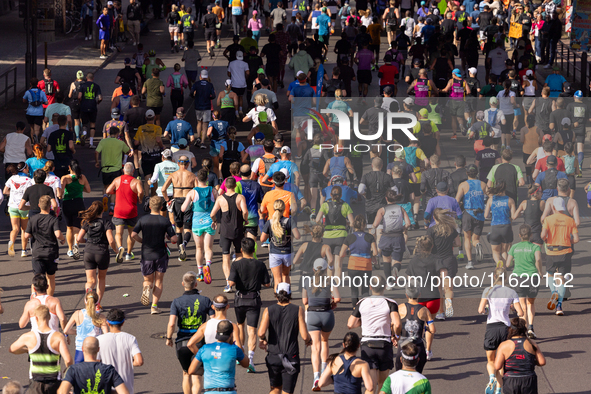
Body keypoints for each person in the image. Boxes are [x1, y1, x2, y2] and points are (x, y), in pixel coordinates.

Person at [347, 275, 401, 393]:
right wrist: (396, 335)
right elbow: (397, 324)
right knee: (382, 384)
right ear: (385, 287)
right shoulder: (391, 303)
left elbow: (351, 324)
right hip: (384, 345)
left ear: (370, 287)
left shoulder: (362, 302)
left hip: (368, 345)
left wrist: (364, 322)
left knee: (370, 386)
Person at [258, 283, 312, 394]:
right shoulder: (298, 310)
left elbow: (261, 332)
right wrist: (308, 340)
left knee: (275, 388)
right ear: (290, 294)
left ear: (276, 294)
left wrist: (263, 339)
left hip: (273, 356)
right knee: (287, 391)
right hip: (291, 356)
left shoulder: (268, 310)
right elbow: (304, 335)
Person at [478, 263, 524, 394]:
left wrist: (487, 308)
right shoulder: (511, 292)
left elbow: (481, 310)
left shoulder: (488, 290)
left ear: (494, 276)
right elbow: (520, 313)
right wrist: (512, 307)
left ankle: (491, 377)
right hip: (505, 328)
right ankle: (498, 389)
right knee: (502, 361)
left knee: (491, 360)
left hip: (491, 328)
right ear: (506, 278)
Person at [166, 271, 214, 394]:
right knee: (197, 375)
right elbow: (213, 321)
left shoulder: (176, 302)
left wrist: (168, 338)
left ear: (183, 284)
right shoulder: (205, 300)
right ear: (196, 284)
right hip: (199, 342)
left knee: (186, 373)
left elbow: (171, 323)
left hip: (182, 342)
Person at [9, 305, 72, 394]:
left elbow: (12, 349)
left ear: (36, 318)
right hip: (53, 381)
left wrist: (26, 350)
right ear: (49, 317)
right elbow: (68, 359)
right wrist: (68, 370)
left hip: (36, 381)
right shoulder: (58, 337)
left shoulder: (28, 336)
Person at [131, 196, 177, 314]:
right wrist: (168, 237)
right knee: (159, 281)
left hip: (146, 254)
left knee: (148, 280)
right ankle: (154, 306)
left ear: (150, 207)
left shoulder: (143, 219)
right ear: (161, 207)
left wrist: (142, 241)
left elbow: (133, 235)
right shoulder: (165, 221)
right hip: (160, 254)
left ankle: (147, 286)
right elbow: (174, 239)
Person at [302, 257, 340, 390]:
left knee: (315, 348)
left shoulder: (307, 281)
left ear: (313, 269)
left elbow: (305, 301)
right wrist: (333, 304)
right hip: (327, 315)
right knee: (325, 342)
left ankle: (316, 377)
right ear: (325, 270)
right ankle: (325, 371)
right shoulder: (330, 281)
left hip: (313, 315)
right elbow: (338, 297)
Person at [76, 201, 118, 308]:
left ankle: (89, 293)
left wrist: (87, 241)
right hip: (102, 252)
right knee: (101, 279)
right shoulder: (106, 222)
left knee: (90, 281)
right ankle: (97, 304)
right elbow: (111, 240)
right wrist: (116, 251)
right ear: (102, 211)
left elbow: (79, 238)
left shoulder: (87, 222)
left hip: (89, 252)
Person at [541, 198, 578, 316]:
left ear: (554, 208)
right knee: (561, 278)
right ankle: (559, 306)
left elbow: (542, 235)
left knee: (550, 274)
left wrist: (547, 240)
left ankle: (554, 292)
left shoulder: (548, 219)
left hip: (551, 252)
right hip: (565, 251)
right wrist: (568, 240)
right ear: (564, 208)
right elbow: (576, 239)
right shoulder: (570, 220)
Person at [211, 177, 249, 292]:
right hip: (238, 229)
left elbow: (212, 213)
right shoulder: (240, 197)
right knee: (239, 255)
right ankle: (239, 279)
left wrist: (214, 221)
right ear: (235, 186)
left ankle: (228, 283)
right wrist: (245, 220)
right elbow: (245, 211)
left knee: (225, 257)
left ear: (225, 186)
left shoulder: (220, 198)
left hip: (225, 231)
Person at [187, 320, 248, 392]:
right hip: (228, 391)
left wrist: (207, 371)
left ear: (216, 332)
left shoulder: (204, 348)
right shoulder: (234, 349)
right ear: (231, 334)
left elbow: (191, 371)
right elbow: (246, 363)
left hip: (210, 391)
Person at [181, 169, 218, 283]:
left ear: (197, 179)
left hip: (197, 223)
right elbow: (219, 203)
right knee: (208, 248)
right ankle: (208, 265)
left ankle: (200, 272)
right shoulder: (213, 190)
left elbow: (183, 208)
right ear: (207, 178)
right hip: (209, 221)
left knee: (199, 248)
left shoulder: (192, 192)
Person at [505, 224, 542, 339]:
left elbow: (507, 264)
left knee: (522, 306)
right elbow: (538, 259)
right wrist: (540, 272)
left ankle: (523, 331)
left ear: (519, 235)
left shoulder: (514, 247)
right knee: (530, 303)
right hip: (532, 277)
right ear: (530, 235)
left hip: (518, 278)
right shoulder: (535, 247)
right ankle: (531, 327)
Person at [23, 196, 65, 296]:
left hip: (37, 251)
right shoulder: (53, 219)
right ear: (50, 206)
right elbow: (58, 234)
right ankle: (49, 301)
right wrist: (62, 239)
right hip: (51, 252)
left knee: (37, 278)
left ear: (39, 206)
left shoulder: (33, 219)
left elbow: (26, 235)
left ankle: (34, 301)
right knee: (51, 278)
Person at [58, 337, 129, 394]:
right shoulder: (109, 370)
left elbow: (62, 392)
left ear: (82, 349)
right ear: (98, 349)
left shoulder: (73, 370)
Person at [493, 317, 546, 394]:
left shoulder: (504, 345)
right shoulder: (531, 343)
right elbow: (542, 362)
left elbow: (497, 366)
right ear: (524, 329)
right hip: (528, 380)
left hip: (511, 380)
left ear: (510, 329)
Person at [97, 309, 144, 394]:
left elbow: (95, 363)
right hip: (126, 387)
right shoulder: (130, 338)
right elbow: (139, 361)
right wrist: (128, 362)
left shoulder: (99, 340)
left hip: (107, 386)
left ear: (108, 323)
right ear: (123, 323)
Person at [426, 208, 460, 320]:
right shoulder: (452, 229)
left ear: (434, 218)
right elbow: (458, 243)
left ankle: (441, 312)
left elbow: (428, 245)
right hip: (449, 260)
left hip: (436, 261)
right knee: (448, 288)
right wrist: (450, 243)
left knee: (439, 288)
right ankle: (449, 302)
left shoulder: (431, 230)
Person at [106, 163, 144, 263]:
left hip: (119, 210)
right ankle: (128, 254)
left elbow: (108, 190)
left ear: (123, 170)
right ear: (133, 171)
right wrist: (140, 199)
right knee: (131, 234)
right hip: (131, 210)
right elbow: (140, 192)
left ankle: (120, 248)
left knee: (118, 232)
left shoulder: (117, 180)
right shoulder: (136, 181)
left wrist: (115, 193)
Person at [162, 157, 197, 261]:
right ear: (188, 164)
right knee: (187, 228)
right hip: (188, 201)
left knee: (178, 228)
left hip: (177, 201)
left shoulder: (173, 175)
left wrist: (167, 199)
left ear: (178, 163)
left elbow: (163, 189)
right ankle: (184, 245)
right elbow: (197, 190)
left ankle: (179, 251)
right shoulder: (192, 175)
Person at [315, 185, 354, 277]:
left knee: (330, 263)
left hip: (327, 237)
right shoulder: (345, 205)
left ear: (330, 195)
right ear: (341, 195)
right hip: (341, 237)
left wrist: (322, 225)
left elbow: (317, 220)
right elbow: (352, 223)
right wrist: (347, 224)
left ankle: (330, 286)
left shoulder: (325, 205)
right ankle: (336, 285)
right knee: (338, 264)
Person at [372, 189, 411, 282]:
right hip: (398, 237)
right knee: (397, 260)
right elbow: (408, 223)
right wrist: (403, 228)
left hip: (386, 238)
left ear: (386, 198)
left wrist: (372, 234)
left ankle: (389, 282)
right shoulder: (401, 209)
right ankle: (396, 269)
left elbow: (375, 225)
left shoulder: (382, 210)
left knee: (386, 260)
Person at [63, 291, 108, 364]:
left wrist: (78, 332)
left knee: (79, 373)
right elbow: (106, 335)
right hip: (95, 349)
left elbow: (66, 330)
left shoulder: (77, 314)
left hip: (81, 349)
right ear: (97, 302)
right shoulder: (101, 317)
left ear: (85, 301)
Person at [455, 164, 487, 269]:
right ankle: (477, 244)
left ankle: (470, 262)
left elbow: (456, 200)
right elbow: (490, 196)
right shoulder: (483, 184)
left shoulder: (463, 185)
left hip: (468, 213)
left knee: (467, 238)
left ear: (467, 173)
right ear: (477, 173)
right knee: (475, 239)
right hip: (480, 214)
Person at [96, 126, 131, 216]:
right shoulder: (120, 142)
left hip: (105, 168)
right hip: (116, 169)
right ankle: (111, 208)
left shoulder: (103, 141)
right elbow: (127, 152)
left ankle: (104, 197)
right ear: (117, 134)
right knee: (114, 189)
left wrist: (97, 162)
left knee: (106, 186)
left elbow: (96, 152)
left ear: (108, 133)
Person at [61, 160, 91, 258]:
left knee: (69, 227)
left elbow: (60, 193)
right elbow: (88, 190)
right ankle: (76, 245)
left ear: (69, 167)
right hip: (79, 203)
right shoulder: (82, 177)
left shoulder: (65, 178)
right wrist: (79, 188)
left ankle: (70, 250)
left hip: (68, 203)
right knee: (77, 228)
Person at [4, 163, 31, 257]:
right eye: (27, 168)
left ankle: (11, 243)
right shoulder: (29, 180)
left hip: (12, 206)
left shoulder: (12, 178)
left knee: (15, 228)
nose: (28, 169)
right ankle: (24, 250)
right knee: (24, 229)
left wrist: (12, 194)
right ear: (24, 169)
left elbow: (5, 191)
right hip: (24, 207)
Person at [190, 69, 216, 149]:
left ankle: (198, 136)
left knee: (199, 122)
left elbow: (191, 93)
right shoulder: (210, 85)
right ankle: (202, 142)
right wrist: (209, 97)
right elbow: (213, 95)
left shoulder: (196, 84)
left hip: (198, 105)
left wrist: (194, 97)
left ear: (200, 76)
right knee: (205, 125)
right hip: (207, 106)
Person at [78, 73, 103, 149]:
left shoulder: (82, 86)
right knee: (92, 124)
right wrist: (97, 102)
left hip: (84, 106)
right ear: (93, 78)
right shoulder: (96, 86)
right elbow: (100, 98)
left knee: (84, 123)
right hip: (93, 107)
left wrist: (81, 102)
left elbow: (79, 96)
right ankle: (91, 143)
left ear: (86, 78)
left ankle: (84, 133)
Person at [23, 78, 48, 143]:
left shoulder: (28, 92)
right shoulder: (42, 92)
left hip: (30, 112)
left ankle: (33, 142)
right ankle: (36, 138)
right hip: (39, 113)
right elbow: (46, 102)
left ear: (30, 83)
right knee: (37, 128)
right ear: (37, 83)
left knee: (32, 128)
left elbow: (24, 100)